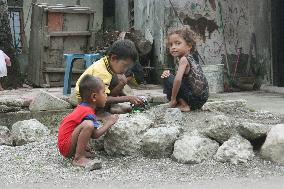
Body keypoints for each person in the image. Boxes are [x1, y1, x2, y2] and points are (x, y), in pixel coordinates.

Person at [58, 75, 119, 170]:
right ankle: (78, 158)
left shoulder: (83, 108)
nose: (106, 94)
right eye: (103, 92)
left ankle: (80, 152)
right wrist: (109, 123)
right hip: (66, 146)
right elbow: (95, 135)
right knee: (88, 125)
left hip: (66, 145)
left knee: (87, 124)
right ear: (94, 96)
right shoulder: (88, 112)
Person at [74, 39, 143, 114]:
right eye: (125, 66)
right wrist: (128, 98)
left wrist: (131, 98)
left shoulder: (108, 63)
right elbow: (102, 97)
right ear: (113, 58)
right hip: (85, 99)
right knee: (117, 80)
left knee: (120, 80)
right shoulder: (102, 72)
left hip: (95, 94)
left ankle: (108, 108)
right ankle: (97, 113)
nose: (125, 70)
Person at [161, 26, 209, 112]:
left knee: (167, 77)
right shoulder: (192, 58)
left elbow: (178, 80)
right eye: (171, 44)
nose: (173, 47)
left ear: (189, 46)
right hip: (201, 100)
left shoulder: (183, 59)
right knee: (169, 75)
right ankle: (187, 104)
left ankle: (183, 104)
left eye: (178, 43)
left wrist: (173, 99)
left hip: (193, 99)